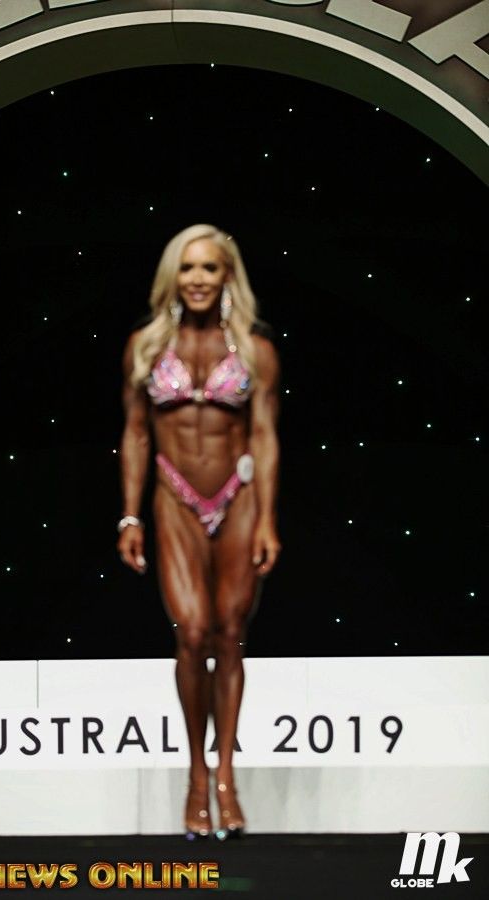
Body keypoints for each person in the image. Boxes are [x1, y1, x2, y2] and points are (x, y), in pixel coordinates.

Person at [117, 224, 281, 840]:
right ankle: (195, 775)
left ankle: (226, 780)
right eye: (188, 267)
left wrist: (267, 518)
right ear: (173, 275)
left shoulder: (255, 351)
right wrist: (129, 515)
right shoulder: (144, 346)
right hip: (174, 500)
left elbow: (264, 435)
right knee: (191, 634)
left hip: (238, 499)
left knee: (230, 635)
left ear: (227, 275)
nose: (198, 278)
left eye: (210, 267)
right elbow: (136, 432)